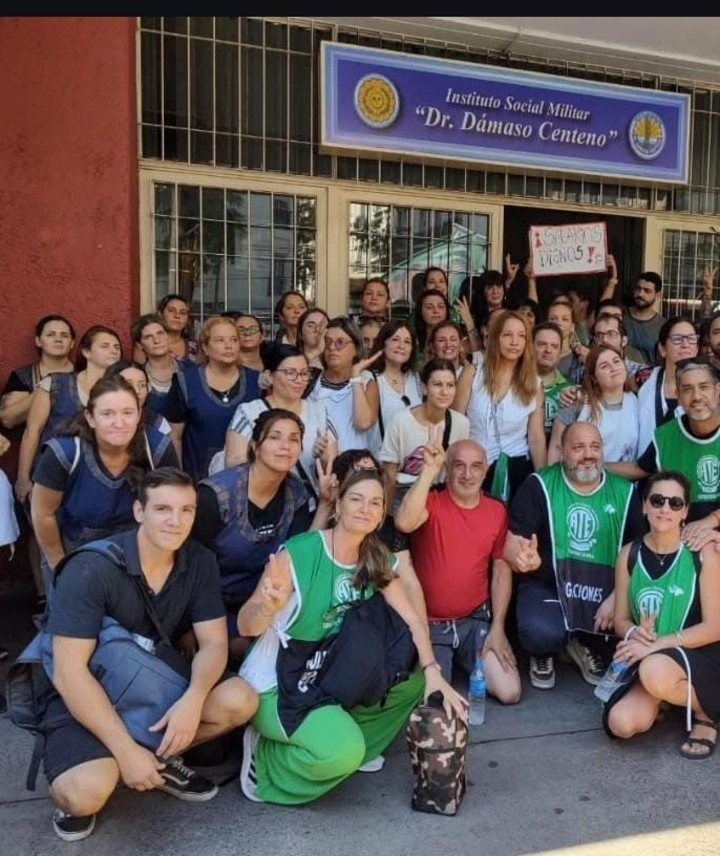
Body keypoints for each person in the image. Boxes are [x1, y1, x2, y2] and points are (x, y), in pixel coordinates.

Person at [41, 467, 258, 841]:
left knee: (239, 700)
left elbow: (215, 643)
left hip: (149, 677)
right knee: (84, 794)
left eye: (186, 510)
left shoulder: (199, 560)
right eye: (163, 509)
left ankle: (156, 761)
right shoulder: (92, 568)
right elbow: (68, 673)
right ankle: (120, 758)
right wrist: (125, 751)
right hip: (91, 688)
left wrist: (194, 698)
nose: (176, 521)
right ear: (139, 511)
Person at [236, 467, 467, 805]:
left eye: (375, 503)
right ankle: (269, 760)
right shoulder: (300, 553)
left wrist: (434, 672)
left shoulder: (374, 558)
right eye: (356, 499)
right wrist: (267, 608)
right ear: (339, 504)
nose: (365, 509)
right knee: (343, 753)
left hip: (327, 672)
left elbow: (413, 620)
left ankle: (338, 741)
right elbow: (245, 625)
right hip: (279, 684)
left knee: (413, 683)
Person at [504, 423, 637, 691]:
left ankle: (580, 642)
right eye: (578, 448)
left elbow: (639, 551)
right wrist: (521, 558)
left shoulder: (626, 491)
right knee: (539, 632)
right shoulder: (539, 485)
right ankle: (547, 650)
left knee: (624, 633)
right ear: (561, 451)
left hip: (604, 593)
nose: (588, 454)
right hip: (549, 585)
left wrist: (617, 598)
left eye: (594, 447)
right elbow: (511, 542)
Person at [193, 409, 334, 661]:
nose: (285, 446)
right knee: (238, 647)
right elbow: (189, 563)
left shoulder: (298, 494)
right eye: (275, 437)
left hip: (261, 599)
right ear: (256, 446)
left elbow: (299, 554)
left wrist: (325, 504)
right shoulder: (216, 495)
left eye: (293, 439)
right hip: (208, 601)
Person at [395, 438, 522, 704]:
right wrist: (429, 471)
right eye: (459, 466)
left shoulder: (496, 510)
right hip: (430, 625)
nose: (467, 474)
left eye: (476, 467)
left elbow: (501, 569)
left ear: (486, 470)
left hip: (474, 620)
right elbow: (404, 522)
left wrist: (498, 626)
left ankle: (470, 661)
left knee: (510, 692)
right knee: (437, 699)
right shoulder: (431, 503)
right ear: (448, 470)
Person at [604, 471, 720, 760]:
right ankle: (670, 698)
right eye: (657, 500)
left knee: (654, 669)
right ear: (644, 506)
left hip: (702, 654)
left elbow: (716, 627)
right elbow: (620, 620)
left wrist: (656, 644)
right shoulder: (629, 554)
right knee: (622, 724)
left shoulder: (702, 552)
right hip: (654, 657)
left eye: (675, 503)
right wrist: (636, 634)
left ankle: (707, 715)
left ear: (686, 511)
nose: (665, 509)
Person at [30, 376, 179, 591]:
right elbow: (43, 513)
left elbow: (174, 506)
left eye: (128, 413)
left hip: (139, 552)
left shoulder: (155, 448)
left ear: (139, 415)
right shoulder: (65, 453)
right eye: (107, 414)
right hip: (76, 551)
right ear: (90, 417)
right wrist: (61, 568)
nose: (119, 423)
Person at [16, 325, 123, 504]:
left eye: (116, 347)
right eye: (104, 346)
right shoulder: (55, 384)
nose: (113, 351)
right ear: (86, 352)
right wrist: (23, 477)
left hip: (98, 480)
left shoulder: (121, 390)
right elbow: (32, 431)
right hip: (54, 476)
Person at [220, 344, 333, 504]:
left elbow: (333, 466)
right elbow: (233, 463)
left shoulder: (321, 411)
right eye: (290, 373)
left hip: (308, 505)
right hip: (262, 504)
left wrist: (323, 458)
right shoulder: (249, 411)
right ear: (269, 376)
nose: (299, 380)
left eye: (304, 373)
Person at [454, 310, 546, 503]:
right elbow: (456, 423)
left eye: (521, 336)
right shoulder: (472, 372)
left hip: (517, 469)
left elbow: (536, 436)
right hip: (472, 467)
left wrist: (543, 482)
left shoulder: (534, 384)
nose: (515, 342)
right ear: (495, 338)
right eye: (507, 335)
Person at [164, 316, 260, 479]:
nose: (228, 346)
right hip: (198, 480)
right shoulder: (186, 381)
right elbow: (175, 436)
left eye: (233, 340)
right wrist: (178, 478)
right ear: (205, 347)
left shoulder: (255, 382)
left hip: (246, 480)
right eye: (220, 340)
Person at [381, 357, 469, 513]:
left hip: (439, 507)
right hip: (403, 505)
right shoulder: (400, 422)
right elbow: (389, 475)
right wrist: (385, 518)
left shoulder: (461, 423)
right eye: (437, 385)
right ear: (424, 388)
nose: (444, 391)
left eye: (450, 385)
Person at [548, 344, 640, 465]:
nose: (613, 368)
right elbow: (556, 449)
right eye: (604, 366)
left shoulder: (637, 400)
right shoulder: (575, 400)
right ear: (594, 377)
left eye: (616, 361)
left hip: (626, 481)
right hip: (580, 478)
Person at [305, 316, 381, 456]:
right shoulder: (310, 379)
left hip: (355, 469)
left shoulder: (366, 380)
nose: (332, 348)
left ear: (356, 348)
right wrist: (315, 351)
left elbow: (363, 423)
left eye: (340, 343)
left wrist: (356, 377)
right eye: (327, 343)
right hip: (313, 467)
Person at [0, 314, 75, 431]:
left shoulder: (83, 374)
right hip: (37, 446)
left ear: (72, 344)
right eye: (51, 335)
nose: (58, 339)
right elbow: (7, 420)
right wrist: (48, 386)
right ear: (38, 341)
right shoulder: (23, 376)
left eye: (64, 335)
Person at [636, 316, 699, 453]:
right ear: (662, 348)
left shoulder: (708, 386)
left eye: (691, 339)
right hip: (643, 469)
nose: (685, 344)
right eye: (677, 339)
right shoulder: (642, 378)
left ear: (696, 349)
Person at [372, 320, 423, 442]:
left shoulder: (417, 378)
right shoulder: (370, 378)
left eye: (407, 342)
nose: (401, 346)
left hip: (413, 457)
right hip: (380, 456)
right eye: (395, 339)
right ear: (383, 344)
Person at [130, 314, 178, 419]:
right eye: (148, 337)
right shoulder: (137, 377)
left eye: (160, 333)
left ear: (169, 337)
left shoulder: (190, 370)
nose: (156, 341)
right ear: (139, 345)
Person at [532, 322, 573, 443]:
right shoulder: (515, 385)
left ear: (560, 353)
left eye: (554, 346)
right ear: (530, 348)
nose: (548, 350)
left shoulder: (571, 389)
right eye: (542, 344)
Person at [133, 294, 197, 364]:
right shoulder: (148, 344)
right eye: (171, 310)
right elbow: (138, 371)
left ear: (188, 319)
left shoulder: (195, 347)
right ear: (160, 314)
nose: (177, 316)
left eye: (183, 313)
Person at [622, 272, 667, 365]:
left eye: (647, 291)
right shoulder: (620, 315)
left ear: (657, 295)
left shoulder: (663, 326)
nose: (640, 294)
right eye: (638, 288)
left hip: (648, 377)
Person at [548, 297, 585, 384]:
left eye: (564, 319)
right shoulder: (534, 358)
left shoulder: (580, 360)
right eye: (553, 319)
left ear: (572, 327)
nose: (558, 323)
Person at [411, 289, 451, 363]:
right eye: (429, 307)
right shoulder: (411, 339)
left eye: (440, 307)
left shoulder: (456, 339)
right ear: (420, 311)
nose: (435, 311)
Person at [297, 307, 330, 380]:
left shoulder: (334, 359)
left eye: (323, 326)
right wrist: (317, 350)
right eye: (311, 326)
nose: (318, 330)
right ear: (300, 334)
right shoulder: (289, 358)